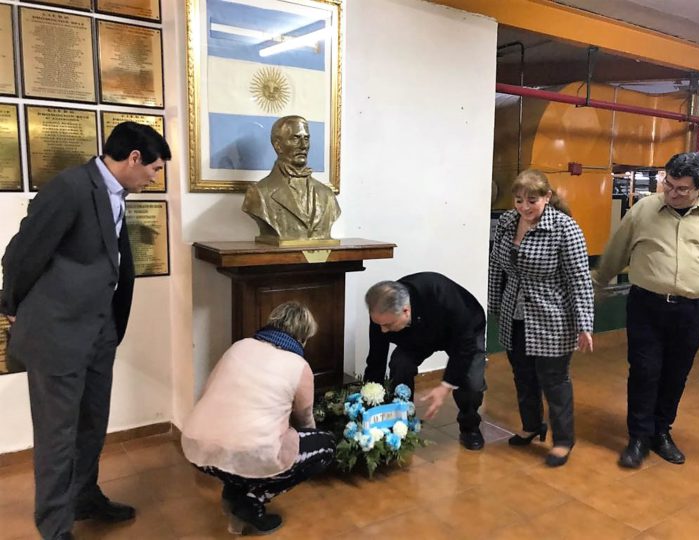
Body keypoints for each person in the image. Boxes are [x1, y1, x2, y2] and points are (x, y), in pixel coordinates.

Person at [0, 121, 171, 540]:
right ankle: (55, 528)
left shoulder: (116, 193)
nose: (154, 177)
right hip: (58, 335)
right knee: (57, 437)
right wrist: (11, 306)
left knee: (92, 424)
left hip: (98, 332)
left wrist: (110, 327)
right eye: (154, 169)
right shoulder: (70, 188)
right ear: (134, 158)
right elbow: (20, 254)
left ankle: (84, 498)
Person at [593, 152, 699, 469]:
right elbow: (616, 251)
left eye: (682, 189)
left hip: (692, 310)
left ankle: (661, 433)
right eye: (669, 184)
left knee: (676, 373)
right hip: (646, 306)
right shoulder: (643, 210)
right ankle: (638, 438)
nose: (672, 193)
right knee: (645, 372)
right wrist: (598, 283)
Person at [182, 302, 335, 536]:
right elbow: (305, 421)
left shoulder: (240, 346)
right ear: (303, 337)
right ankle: (251, 502)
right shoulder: (299, 366)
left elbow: (208, 392)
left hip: (198, 448)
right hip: (249, 453)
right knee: (325, 446)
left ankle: (233, 489)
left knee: (241, 437)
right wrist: (304, 438)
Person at [488, 169, 593, 467]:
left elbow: (579, 280)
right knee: (522, 374)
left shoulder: (564, 228)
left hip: (551, 317)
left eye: (531, 200)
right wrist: (494, 304)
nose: (524, 207)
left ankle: (563, 440)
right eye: (519, 200)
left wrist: (584, 324)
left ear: (547, 197)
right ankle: (532, 425)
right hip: (514, 314)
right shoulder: (508, 223)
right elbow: (496, 267)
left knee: (554, 380)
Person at [364, 273, 488, 450]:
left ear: (405, 311)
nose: (383, 331)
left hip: (464, 331)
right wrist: (370, 402)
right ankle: (401, 420)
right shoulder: (381, 313)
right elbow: (376, 358)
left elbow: (465, 345)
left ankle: (470, 427)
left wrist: (445, 386)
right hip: (418, 335)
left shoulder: (441, 295)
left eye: (388, 325)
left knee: (471, 382)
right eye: (379, 325)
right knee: (400, 363)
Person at [242, 115, 341, 245]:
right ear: (278, 145)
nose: (303, 146)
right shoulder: (258, 193)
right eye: (295, 138)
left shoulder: (327, 194)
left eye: (306, 139)